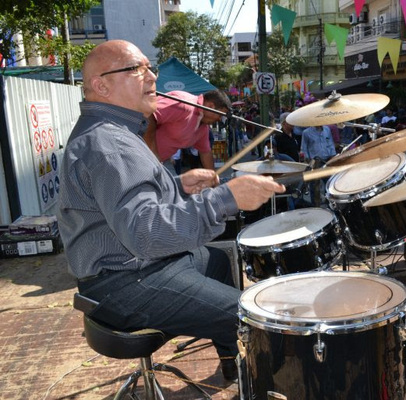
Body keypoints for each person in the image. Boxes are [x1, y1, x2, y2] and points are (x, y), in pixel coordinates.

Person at [57, 40, 285, 382]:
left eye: (150, 68)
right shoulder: (110, 143)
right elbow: (146, 233)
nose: (152, 76)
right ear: (101, 86)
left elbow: (119, 201)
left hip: (131, 268)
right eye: (136, 69)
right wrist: (227, 198)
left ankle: (232, 359)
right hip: (124, 283)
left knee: (220, 259)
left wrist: (177, 186)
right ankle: (267, 381)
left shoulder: (113, 131)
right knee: (256, 317)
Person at [144, 89, 231, 170]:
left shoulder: (203, 127)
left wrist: (213, 177)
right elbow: (148, 115)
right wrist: (153, 155)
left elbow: (205, 153)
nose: (220, 119)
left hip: (161, 161)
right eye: (220, 115)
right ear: (210, 106)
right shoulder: (183, 103)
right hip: (141, 157)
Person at [301, 125, 337, 205]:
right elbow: (304, 148)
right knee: (315, 186)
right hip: (315, 161)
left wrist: (333, 156)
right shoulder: (306, 132)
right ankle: (316, 205)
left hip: (327, 160)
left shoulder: (327, 129)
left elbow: (330, 143)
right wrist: (309, 161)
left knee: (329, 183)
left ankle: (330, 203)